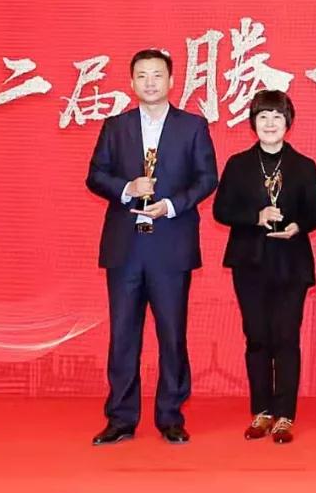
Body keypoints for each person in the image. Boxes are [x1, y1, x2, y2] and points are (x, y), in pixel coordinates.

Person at [86, 48, 218, 445]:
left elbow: (207, 177)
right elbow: (95, 174)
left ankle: (170, 415)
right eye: (142, 75)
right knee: (123, 335)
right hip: (125, 248)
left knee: (172, 334)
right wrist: (127, 188)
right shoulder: (116, 126)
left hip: (171, 245)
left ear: (171, 81)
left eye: (157, 75)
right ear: (131, 82)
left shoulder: (192, 126)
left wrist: (172, 205)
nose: (150, 82)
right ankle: (121, 418)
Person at [213, 90, 316, 445]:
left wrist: (298, 225)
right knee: (257, 337)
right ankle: (261, 411)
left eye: (277, 117)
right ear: (253, 123)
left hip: (291, 262)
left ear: (288, 122)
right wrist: (255, 216)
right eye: (263, 117)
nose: (270, 123)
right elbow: (220, 210)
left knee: (286, 337)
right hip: (250, 262)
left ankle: (285, 415)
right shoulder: (238, 164)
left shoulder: (303, 165)